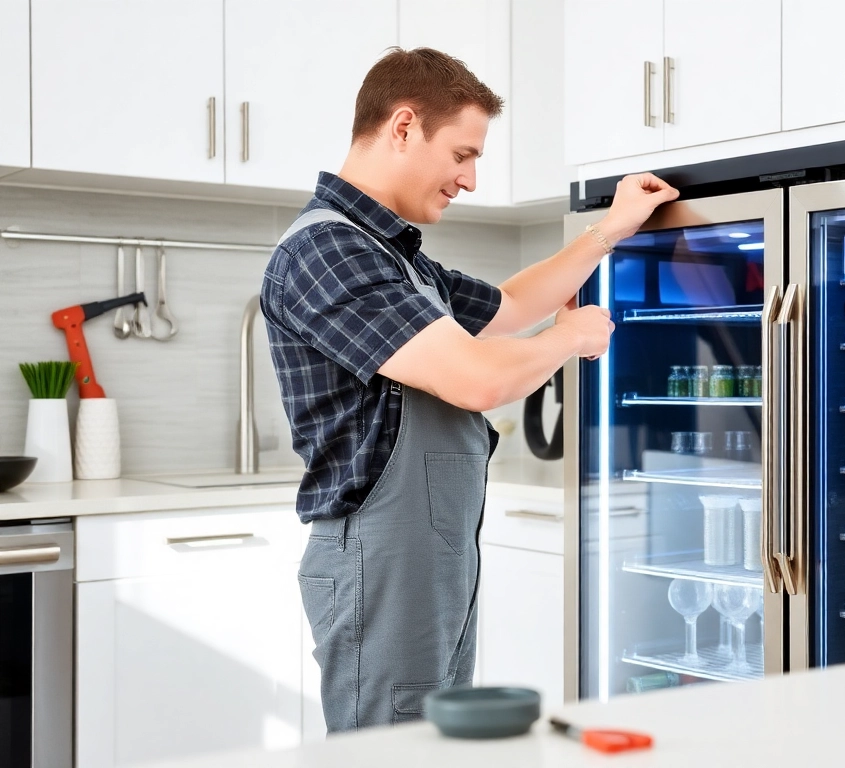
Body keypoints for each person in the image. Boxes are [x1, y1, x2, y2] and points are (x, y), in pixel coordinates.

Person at [260, 47, 678, 732]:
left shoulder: (394, 255)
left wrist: (609, 230)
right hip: (381, 554)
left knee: (433, 741)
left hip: (432, 551)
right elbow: (476, 377)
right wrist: (570, 339)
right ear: (402, 127)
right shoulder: (327, 251)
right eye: (461, 154)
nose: (471, 179)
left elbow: (510, 305)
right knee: (388, 746)